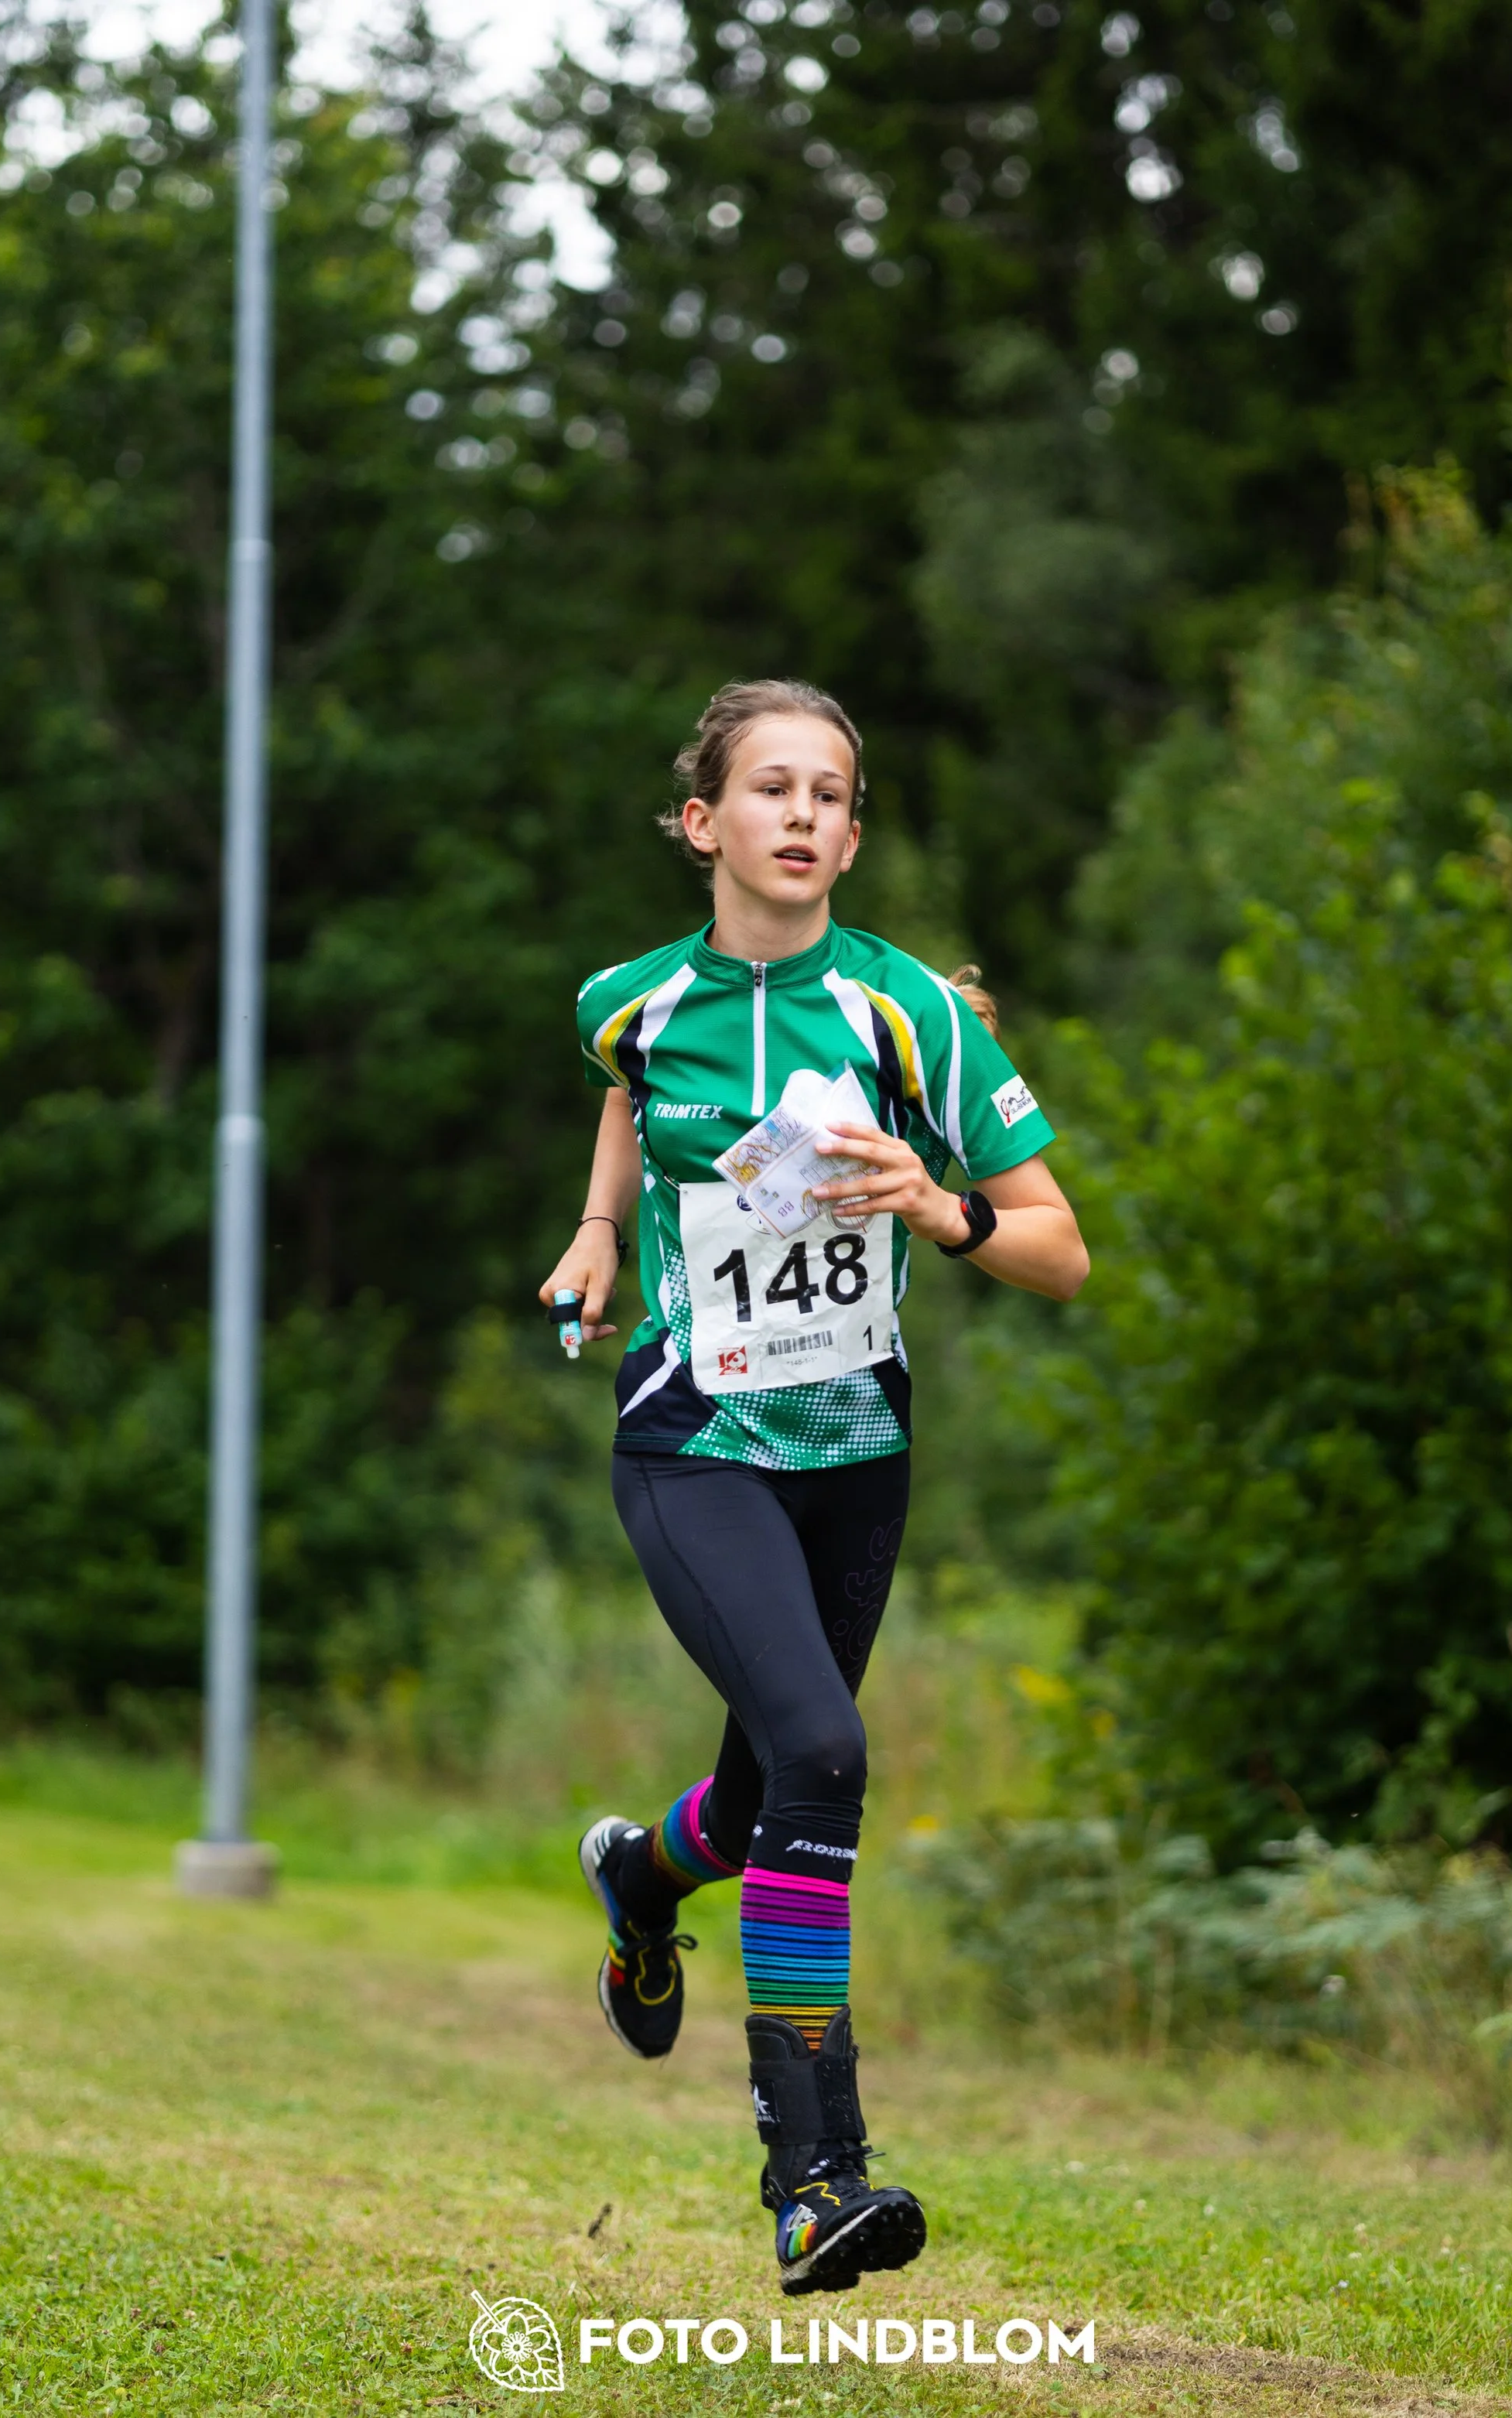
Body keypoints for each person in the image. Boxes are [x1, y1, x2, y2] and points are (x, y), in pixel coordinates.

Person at [538, 678, 1088, 2297]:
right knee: (827, 1754)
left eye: (830, 793)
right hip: (692, 1441)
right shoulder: (629, 1002)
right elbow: (628, 1097)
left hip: (856, 1458)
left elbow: (1060, 1249)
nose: (801, 813)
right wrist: (597, 1232)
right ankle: (814, 2181)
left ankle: (643, 1872)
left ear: (851, 836)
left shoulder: (914, 1015)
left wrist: (938, 1204)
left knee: (766, 1787)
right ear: (703, 821)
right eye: (770, 787)